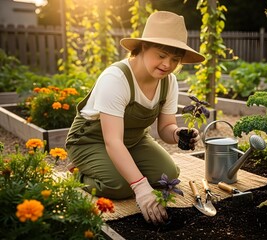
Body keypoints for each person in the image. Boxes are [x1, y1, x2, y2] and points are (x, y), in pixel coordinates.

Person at [65, 11, 205, 225]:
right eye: (161, 55)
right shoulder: (116, 78)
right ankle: (78, 172)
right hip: (91, 141)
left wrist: (178, 134)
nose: (167, 64)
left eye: (175, 60)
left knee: (167, 174)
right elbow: (112, 141)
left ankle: (121, 167)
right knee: (119, 186)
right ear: (143, 47)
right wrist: (141, 188)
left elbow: (166, 127)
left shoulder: (169, 82)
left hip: (133, 141)